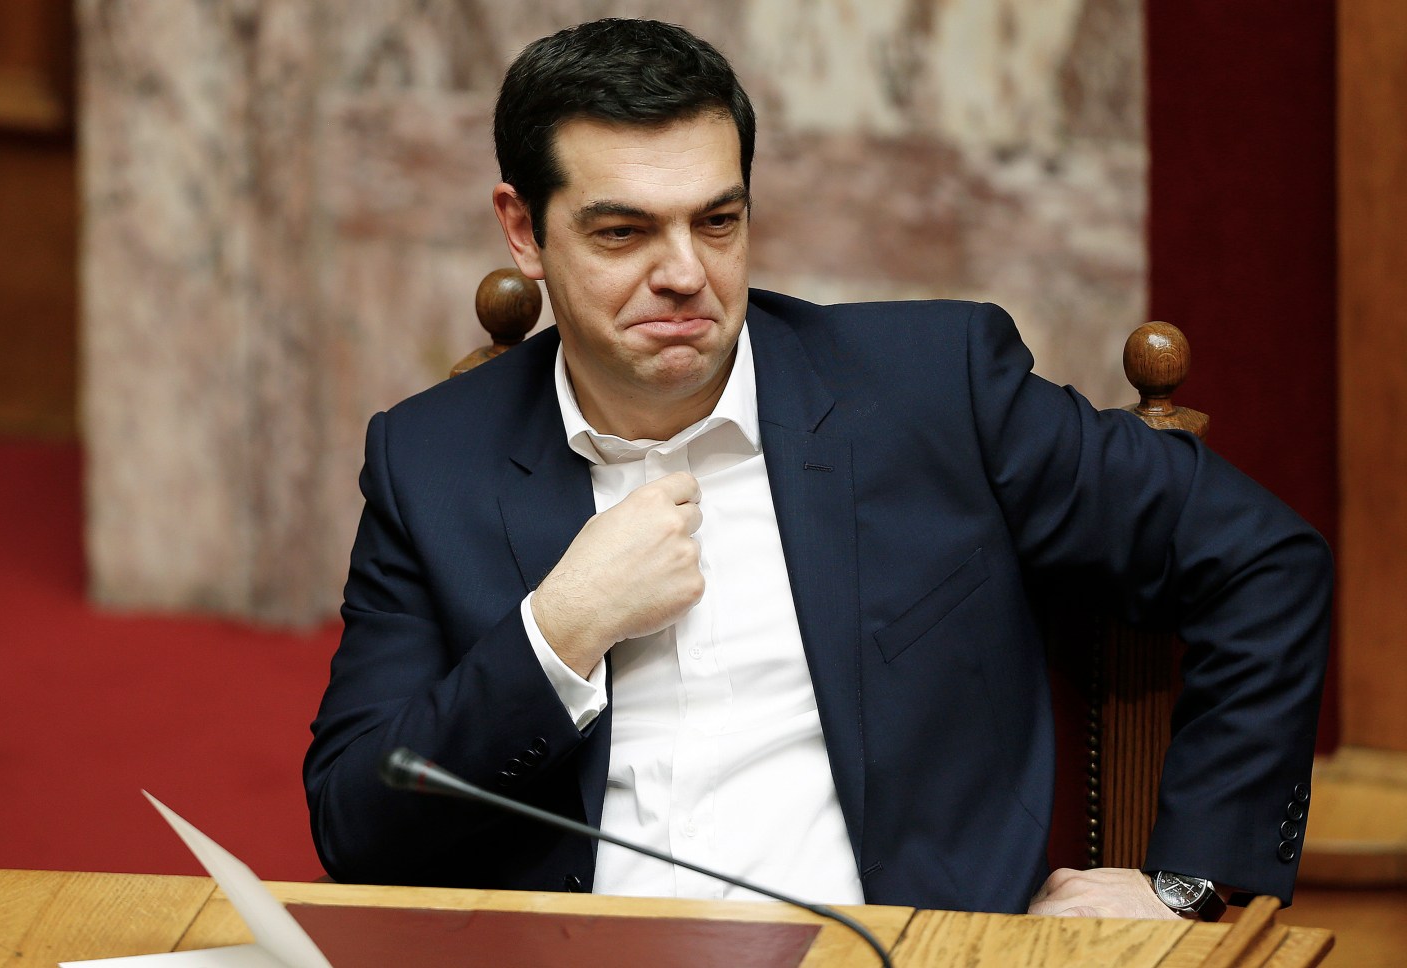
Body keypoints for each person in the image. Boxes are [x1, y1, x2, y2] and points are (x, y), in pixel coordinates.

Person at [304, 18, 1331, 918]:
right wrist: (558, 633)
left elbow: (1264, 560)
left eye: (717, 221)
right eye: (623, 231)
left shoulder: (935, 391)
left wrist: (1187, 880)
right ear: (524, 230)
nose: (685, 272)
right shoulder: (430, 461)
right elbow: (356, 823)